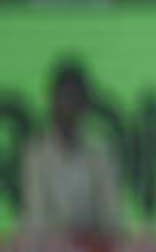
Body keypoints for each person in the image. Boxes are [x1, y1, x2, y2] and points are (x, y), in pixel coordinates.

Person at [20, 60, 122, 239]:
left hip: (92, 247)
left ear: (84, 105)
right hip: (47, 248)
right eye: (63, 98)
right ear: (52, 102)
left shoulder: (100, 152)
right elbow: (36, 217)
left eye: (74, 99)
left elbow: (111, 214)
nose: (68, 107)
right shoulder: (36, 154)